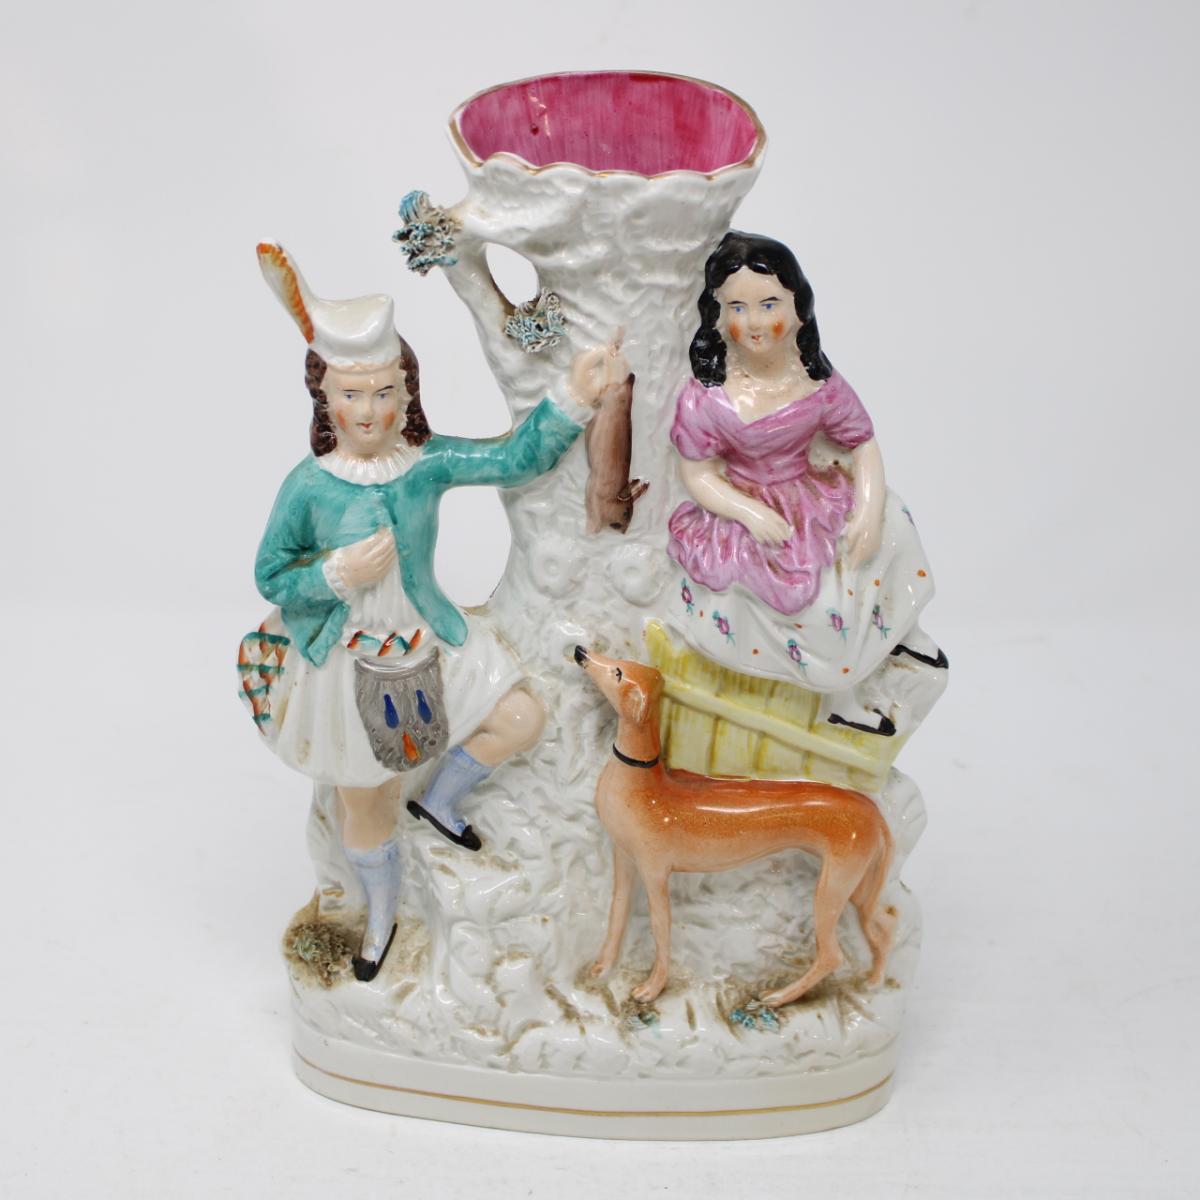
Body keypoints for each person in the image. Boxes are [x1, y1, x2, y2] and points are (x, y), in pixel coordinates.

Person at [241, 243, 625, 980]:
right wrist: (335, 573)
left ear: (407, 393)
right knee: (367, 803)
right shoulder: (309, 486)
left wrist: (574, 397)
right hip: (347, 658)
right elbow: (271, 575)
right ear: (324, 399)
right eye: (352, 395)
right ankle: (380, 920)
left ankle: (441, 800)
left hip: (427, 637)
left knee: (520, 717)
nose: (369, 411)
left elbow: (511, 459)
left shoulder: (425, 464)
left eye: (385, 393)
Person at [666, 231, 942, 730]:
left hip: (811, 495)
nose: (754, 323)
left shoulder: (817, 383)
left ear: (798, 309)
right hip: (746, 514)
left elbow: (861, 442)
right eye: (737, 307)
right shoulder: (707, 395)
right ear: (717, 316)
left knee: (894, 521)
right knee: (819, 605)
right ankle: (838, 695)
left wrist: (868, 510)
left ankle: (898, 634)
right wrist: (749, 512)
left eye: (768, 304)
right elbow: (698, 474)